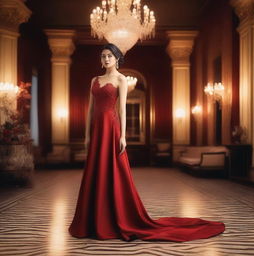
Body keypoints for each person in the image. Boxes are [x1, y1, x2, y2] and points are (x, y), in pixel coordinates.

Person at [68, 43, 225, 241]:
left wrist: (123, 136)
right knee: (95, 170)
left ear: (117, 58)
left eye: (109, 55)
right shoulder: (94, 80)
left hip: (111, 127)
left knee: (113, 170)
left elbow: (123, 110)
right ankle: (92, 220)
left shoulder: (121, 79)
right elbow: (90, 110)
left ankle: (114, 218)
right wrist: (87, 135)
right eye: (103, 56)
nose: (106, 59)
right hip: (96, 130)